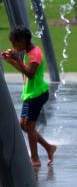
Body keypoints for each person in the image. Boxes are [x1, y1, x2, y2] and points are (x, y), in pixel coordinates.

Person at [1, 25, 56, 167]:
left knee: (29, 127)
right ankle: (49, 147)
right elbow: (24, 70)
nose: (13, 46)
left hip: (37, 94)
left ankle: (35, 159)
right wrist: (11, 61)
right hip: (30, 94)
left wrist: (17, 59)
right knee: (23, 125)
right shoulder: (27, 52)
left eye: (15, 42)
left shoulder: (35, 54)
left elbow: (30, 74)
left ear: (23, 40)